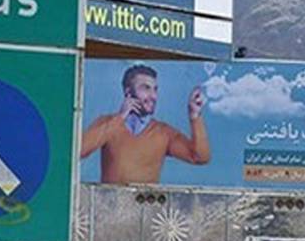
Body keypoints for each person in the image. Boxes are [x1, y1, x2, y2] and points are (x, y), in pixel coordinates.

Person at [80, 64, 210, 184]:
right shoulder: (107, 123)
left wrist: (195, 116)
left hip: (146, 202)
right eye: (146, 88)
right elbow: (79, 151)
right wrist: (120, 118)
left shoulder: (164, 133)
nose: (153, 96)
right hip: (110, 201)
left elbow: (200, 157)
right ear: (128, 92)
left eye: (155, 89)